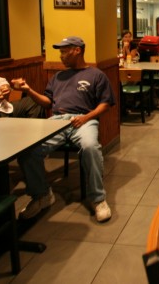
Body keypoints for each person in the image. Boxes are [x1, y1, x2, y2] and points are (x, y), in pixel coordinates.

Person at [12, 36, 115, 222]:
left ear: (77, 50)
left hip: (84, 120)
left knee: (90, 147)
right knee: (28, 151)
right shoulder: (58, 77)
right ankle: (42, 195)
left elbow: (105, 104)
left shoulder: (96, 75)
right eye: (60, 52)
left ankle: (98, 199)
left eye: (64, 51)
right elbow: (47, 103)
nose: (61, 56)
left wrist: (86, 117)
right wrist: (28, 90)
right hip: (57, 120)